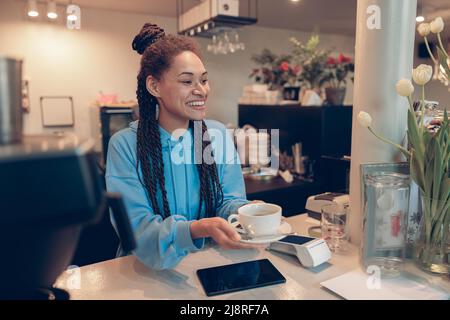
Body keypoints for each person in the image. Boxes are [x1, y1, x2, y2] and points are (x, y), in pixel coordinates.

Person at [105, 23, 261, 270]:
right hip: (145, 271)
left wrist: (245, 211)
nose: (201, 90)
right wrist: (195, 229)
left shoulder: (216, 134)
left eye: (204, 80)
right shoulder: (125, 145)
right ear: (154, 86)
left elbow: (228, 201)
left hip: (207, 264)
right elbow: (136, 228)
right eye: (187, 81)